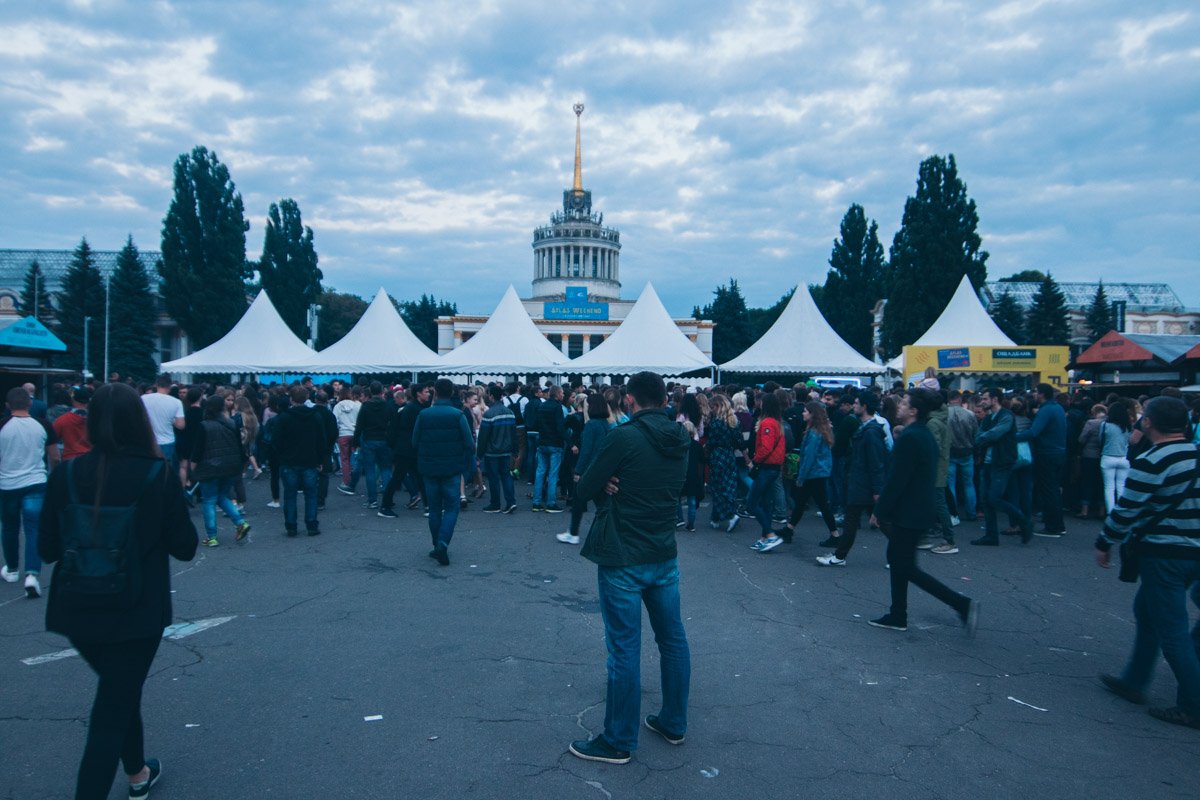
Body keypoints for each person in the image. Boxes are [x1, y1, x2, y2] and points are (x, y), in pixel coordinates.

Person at [37, 382, 197, 800]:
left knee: (118, 690)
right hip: (136, 610)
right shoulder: (155, 473)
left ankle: (138, 773)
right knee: (112, 705)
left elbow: (48, 548)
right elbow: (185, 547)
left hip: (77, 606)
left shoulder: (66, 474)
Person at [568, 371, 691, 765]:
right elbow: (674, 485)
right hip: (663, 551)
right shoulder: (681, 437)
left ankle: (618, 739)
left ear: (631, 401)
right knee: (672, 640)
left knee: (624, 648)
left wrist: (603, 484)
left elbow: (582, 489)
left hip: (624, 552)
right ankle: (673, 721)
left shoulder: (623, 436)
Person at [1095, 396, 1200, 730]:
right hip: (1195, 550)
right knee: (1147, 611)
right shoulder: (1195, 452)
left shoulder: (1152, 459)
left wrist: (1105, 542)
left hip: (1165, 553)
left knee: (1172, 630)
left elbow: (1128, 509)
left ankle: (1193, 704)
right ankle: (1135, 680)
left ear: (1149, 422)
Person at [868, 389, 979, 634]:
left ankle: (961, 604)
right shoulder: (922, 434)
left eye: (904, 403)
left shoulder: (911, 437)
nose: (899, 406)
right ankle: (898, 614)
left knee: (903, 564)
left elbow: (898, 479)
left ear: (913, 410)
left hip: (911, 510)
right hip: (917, 508)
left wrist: (880, 510)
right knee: (899, 561)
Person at [0, 386, 60, 596]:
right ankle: (32, 574)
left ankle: (12, 568)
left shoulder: (2, 425)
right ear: (30, 403)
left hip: (7, 483)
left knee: (9, 527)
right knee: (33, 528)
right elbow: (54, 456)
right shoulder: (42, 425)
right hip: (36, 481)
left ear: (8, 406)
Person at [816, 391, 887, 567]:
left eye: (856, 403)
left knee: (860, 520)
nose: (853, 406)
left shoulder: (870, 432)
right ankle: (839, 556)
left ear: (864, 406)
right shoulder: (867, 429)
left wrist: (877, 489)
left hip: (863, 484)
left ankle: (839, 556)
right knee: (863, 520)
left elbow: (876, 463)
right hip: (862, 482)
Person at [412, 379, 475, 566]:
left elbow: (414, 442)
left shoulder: (424, 414)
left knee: (434, 508)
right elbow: (469, 443)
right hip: (452, 467)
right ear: (453, 393)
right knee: (451, 507)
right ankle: (443, 543)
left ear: (435, 393)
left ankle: (436, 544)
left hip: (429, 467)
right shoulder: (458, 415)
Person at [188, 396, 251, 547]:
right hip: (230, 467)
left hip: (209, 468)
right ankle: (240, 522)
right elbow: (238, 445)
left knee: (209, 500)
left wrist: (192, 468)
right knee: (222, 496)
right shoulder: (231, 423)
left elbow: (198, 450)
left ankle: (212, 536)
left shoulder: (204, 426)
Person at [974, 388, 1031, 546]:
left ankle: (1024, 521)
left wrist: (986, 438)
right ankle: (991, 536)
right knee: (986, 500)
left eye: (985, 398)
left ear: (994, 399)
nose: (982, 401)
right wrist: (986, 438)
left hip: (1002, 462)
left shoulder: (1006, 416)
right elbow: (979, 436)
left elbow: (995, 434)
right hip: (988, 463)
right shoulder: (988, 418)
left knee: (994, 497)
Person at [274, 385, 328, 537]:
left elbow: (276, 440)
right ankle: (311, 524)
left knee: (290, 494)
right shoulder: (315, 416)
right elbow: (321, 440)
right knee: (311, 493)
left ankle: (291, 526)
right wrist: (320, 459)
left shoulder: (284, 417)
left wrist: (281, 456)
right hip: (310, 460)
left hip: (289, 461)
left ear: (291, 399)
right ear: (306, 399)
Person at [559, 393, 611, 545]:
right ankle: (601, 534)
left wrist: (578, 471)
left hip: (589, 469)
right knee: (601, 504)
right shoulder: (605, 424)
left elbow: (586, 450)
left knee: (579, 501)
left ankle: (573, 533)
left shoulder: (591, 425)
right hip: (601, 467)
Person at [1017, 383, 1068, 537]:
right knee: (1054, 490)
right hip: (1058, 452)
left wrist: (1012, 437)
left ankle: (1052, 527)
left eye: (1035, 392)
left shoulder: (1046, 410)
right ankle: (1058, 524)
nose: (1033, 395)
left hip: (1047, 453)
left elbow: (1034, 432)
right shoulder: (1058, 408)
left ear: (1041, 394)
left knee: (1048, 491)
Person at [380, 383, 430, 516]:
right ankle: (385, 506)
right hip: (408, 449)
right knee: (401, 477)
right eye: (426, 391)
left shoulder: (409, 408)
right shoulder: (415, 409)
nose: (428, 394)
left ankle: (428, 506)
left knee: (414, 477)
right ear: (418, 393)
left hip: (405, 448)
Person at [748, 392, 787, 552]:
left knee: (752, 503)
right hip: (774, 467)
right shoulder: (777, 422)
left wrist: (754, 461)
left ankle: (770, 534)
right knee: (766, 504)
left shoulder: (768, 423)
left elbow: (766, 447)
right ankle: (765, 536)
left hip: (766, 467)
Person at [345, 381, 392, 509]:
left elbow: (359, 425)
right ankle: (387, 499)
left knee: (370, 470)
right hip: (384, 439)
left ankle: (372, 500)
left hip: (369, 439)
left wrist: (355, 442)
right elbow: (392, 424)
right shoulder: (387, 406)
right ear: (382, 391)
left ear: (370, 391)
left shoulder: (366, 406)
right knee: (386, 469)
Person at [478, 383, 518, 514]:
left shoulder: (489, 414)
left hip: (492, 452)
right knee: (506, 476)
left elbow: (483, 437)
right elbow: (514, 434)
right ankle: (511, 502)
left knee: (494, 478)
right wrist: (515, 450)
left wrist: (479, 454)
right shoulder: (510, 413)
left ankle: (495, 504)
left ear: (491, 396)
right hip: (506, 451)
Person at [532, 385, 567, 513]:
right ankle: (551, 503)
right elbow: (560, 427)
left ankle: (536, 502)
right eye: (562, 393)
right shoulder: (557, 407)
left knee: (540, 472)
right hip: (555, 443)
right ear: (557, 394)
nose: (563, 395)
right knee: (553, 474)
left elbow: (536, 423)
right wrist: (567, 440)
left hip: (542, 442)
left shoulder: (542, 405)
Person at [139, 375, 184, 466]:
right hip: (167, 441)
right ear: (170, 386)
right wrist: (171, 420)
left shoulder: (144, 398)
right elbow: (181, 425)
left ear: (156, 385)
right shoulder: (176, 402)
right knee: (166, 470)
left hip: (148, 441)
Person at [1100, 400, 1133, 514]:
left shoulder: (1105, 425)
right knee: (1121, 486)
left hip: (1108, 456)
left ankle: (1110, 513)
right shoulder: (1128, 427)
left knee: (1109, 487)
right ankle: (1121, 511)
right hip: (1124, 457)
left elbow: (1101, 440)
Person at [332, 385, 362, 487]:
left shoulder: (337, 406)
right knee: (355, 457)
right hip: (354, 434)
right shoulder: (357, 406)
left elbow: (334, 421)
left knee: (344, 459)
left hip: (342, 434)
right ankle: (353, 481)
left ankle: (346, 482)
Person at [52, 385, 92, 461]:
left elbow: (52, 439)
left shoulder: (63, 420)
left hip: (70, 461)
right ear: (88, 402)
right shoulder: (95, 419)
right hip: (90, 460)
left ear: (73, 400)